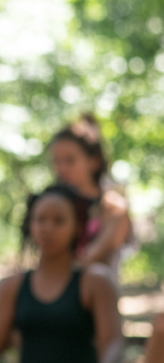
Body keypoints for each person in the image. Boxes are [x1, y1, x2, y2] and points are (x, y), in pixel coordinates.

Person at [0, 184, 125, 363]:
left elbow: (113, 344)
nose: (47, 228)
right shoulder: (12, 286)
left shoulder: (95, 281)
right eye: (40, 219)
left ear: (77, 227)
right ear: (30, 224)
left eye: (59, 221)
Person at [48, 114, 131, 277]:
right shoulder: (54, 204)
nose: (61, 168)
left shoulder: (113, 207)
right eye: (57, 161)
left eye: (70, 160)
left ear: (93, 161)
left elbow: (92, 257)